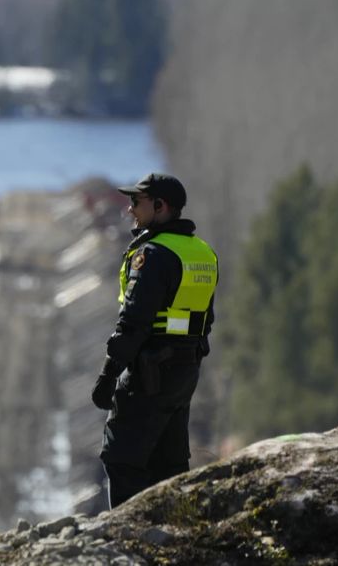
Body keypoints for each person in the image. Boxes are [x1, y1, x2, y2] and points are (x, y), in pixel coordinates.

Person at [91, 173, 218, 508]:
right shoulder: (202, 253)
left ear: (160, 206)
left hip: (149, 371)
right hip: (185, 371)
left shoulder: (153, 254)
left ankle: (125, 540)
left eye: (137, 202)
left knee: (122, 457)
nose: (130, 210)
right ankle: (172, 533)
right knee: (170, 463)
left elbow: (133, 322)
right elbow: (205, 320)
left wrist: (108, 374)